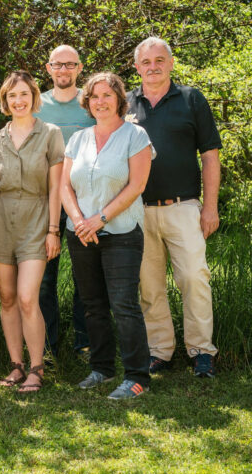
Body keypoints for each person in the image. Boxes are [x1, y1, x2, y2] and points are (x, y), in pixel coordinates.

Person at [126, 37, 221, 378]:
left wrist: (210, 207)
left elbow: (210, 156)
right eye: (146, 61)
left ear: (170, 63)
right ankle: (159, 351)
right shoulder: (125, 104)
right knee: (148, 285)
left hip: (184, 206)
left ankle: (201, 352)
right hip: (137, 209)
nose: (153, 66)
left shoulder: (191, 99)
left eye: (159, 60)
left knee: (195, 278)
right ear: (137, 67)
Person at [61, 72, 153, 399]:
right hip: (81, 234)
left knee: (124, 304)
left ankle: (137, 375)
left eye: (107, 95)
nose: (100, 101)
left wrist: (99, 219)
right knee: (93, 305)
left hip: (122, 232)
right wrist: (78, 220)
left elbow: (137, 186)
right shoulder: (78, 139)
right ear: (87, 102)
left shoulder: (135, 136)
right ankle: (101, 368)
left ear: (118, 100)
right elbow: (64, 186)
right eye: (94, 96)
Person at [0, 71, 63, 394]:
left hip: (36, 220)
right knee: (8, 297)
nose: (18, 100)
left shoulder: (50, 134)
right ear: (5, 100)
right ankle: (16, 365)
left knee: (29, 297)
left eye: (24, 94)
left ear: (34, 97)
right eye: (12, 95)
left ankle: (37, 368)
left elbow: (56, 187)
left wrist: (53, 230)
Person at [35, 45, 94, 360]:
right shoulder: (36, 106)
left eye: (70, 65)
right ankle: (46, 347)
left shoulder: (91, 102)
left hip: (86, 199)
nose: (64, 70)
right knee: (45, 276)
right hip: (46, 200)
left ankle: (85, 344)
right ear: (48, 68)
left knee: (86, 273)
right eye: (58, 65)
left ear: (79, 68)